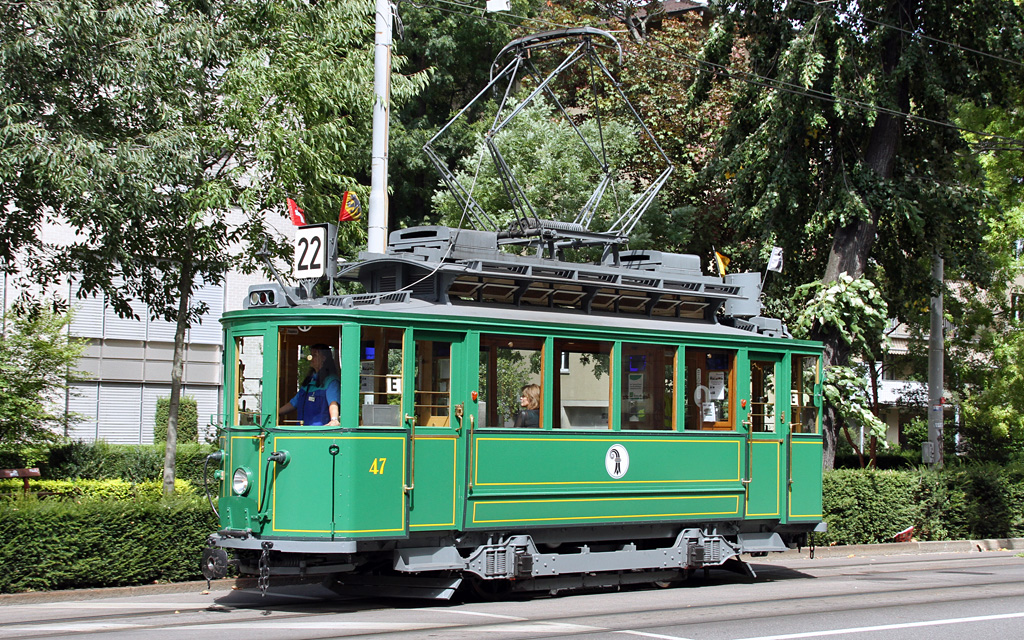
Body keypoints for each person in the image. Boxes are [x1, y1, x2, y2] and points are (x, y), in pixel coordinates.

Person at [279, 344, 340, 426]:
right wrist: (276, 413)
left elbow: (333, 403)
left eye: (314, 355)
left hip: (320, 432)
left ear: (323, 358)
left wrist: (334, 419)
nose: (310, 358)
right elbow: (294, 403)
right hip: (302, 430)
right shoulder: (309, 381)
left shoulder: (331, 381)